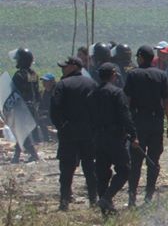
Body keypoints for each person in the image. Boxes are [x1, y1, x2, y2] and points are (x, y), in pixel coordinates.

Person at [124, 46, 168, 205]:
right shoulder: (161, 75)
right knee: (153, 161)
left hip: (138, 122)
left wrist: (126, 123)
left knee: (136, 162)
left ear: (140, 58)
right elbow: (166, 102)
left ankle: (132, 197)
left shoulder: (132, 75)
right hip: (156, 122)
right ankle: (148, 196)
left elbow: (128, 101)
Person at [49, 56, 98, 210]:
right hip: (88, 132)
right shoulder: (91, 84)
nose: (63, 69)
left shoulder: (62, 84)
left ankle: (64, 201)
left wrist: (62, 126)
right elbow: (99, 107)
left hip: (68, 133)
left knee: (66, 169)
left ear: (75, 67)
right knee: (90, 168)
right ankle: (93, 200)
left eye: (65, 66)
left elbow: (54, 108)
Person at [92, 64, 138, 215]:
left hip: (98, 137)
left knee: (102, 173)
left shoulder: (93, 93)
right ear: (112, 75)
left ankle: (105, 209)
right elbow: (125, 115)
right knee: (125, 170)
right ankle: (107, 197)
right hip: (115, 137)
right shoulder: (116, 93)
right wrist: (133, 135)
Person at [11, 48, 41, 163]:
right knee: (22, 131)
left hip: (22, 107)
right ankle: (17, 155)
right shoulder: (33, 74)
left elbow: (14, 91)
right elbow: (36, 93)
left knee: (22, 131)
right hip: (32, 107)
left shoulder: (19, 75)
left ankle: (32, 153)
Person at [37, 72, 56, 142]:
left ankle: (48, 139)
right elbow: (42, 106)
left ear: (52, 82)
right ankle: (46, 139)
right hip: (48, 115)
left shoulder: (56, 91)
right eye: (43, 81)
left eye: (46, 81)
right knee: (39, 119)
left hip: (56, 115)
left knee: (42, 119)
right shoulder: (45, 93)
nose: (44, 83)